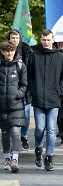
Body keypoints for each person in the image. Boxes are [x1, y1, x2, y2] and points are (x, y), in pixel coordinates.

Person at [28, 29, 63, 171]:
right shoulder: (34, 56)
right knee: (39, 128)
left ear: (53, 40)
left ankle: (49, 157)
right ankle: (38, 149)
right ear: (40, 40)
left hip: (54, 99)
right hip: (38, 99)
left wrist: (59, 91)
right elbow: (30, 76)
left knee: (51, 129)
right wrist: (34, 91)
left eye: (48, 40)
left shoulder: (60, 57)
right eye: (44, 40)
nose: (46, 42)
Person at [0, 41, 27, 173]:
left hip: (16, 105)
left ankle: (15, 158)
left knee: (16, 132)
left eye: (11, 51)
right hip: (2, 106)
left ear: (14, 51)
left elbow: (24, 84)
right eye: (7, 51)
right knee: (5, 133)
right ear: (2, 52)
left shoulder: (20, 65)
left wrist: (18, 94)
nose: (9, 53)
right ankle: (7, 158)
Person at [7, 29, 33, 150]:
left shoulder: (27, 50)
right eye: (13, 38)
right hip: (9, 90)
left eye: (17, 38)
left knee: (26, 116)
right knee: (12, 117)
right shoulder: (5, 52)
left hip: (25, 89)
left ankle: (24, 136)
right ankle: (14, 140)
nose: (15, 40)